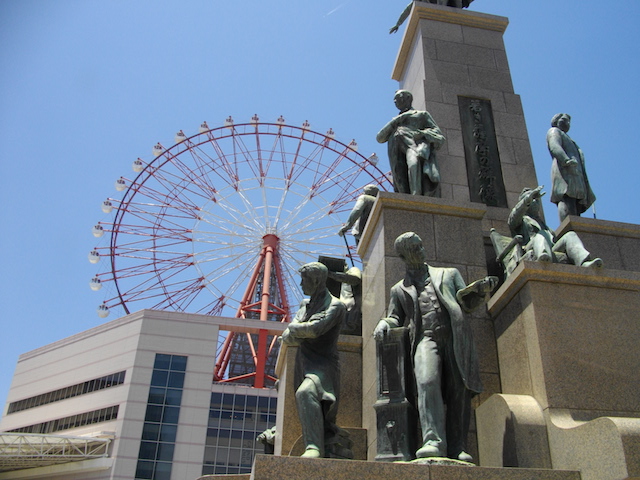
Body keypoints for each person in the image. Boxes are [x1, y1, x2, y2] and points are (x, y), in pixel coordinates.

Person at [374, 232, 497, 461]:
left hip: (455, 336)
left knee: (459, 389)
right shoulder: (398, 289)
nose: (421, 251)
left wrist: (479, 292)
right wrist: (384, 323)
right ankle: (433, 441)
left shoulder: (449, 274)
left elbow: (466, 302)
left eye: (421, 245)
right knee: (427, 381)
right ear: (403, 257)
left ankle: (458, 446)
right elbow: (395, 317)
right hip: (425, 338)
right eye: (415, 249)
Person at [281, 262, 351, 458]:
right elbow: (288, 337)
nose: (300, 284)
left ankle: (313, 447)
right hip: (303, 362)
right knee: (308, 400)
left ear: (316, 281)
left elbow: (314, 330)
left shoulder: (336, 306)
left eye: (304, 280)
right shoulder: (305, 305)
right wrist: (299, 330)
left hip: (324, 365)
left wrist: (296, 328)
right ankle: (322, 441)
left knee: (306, 393)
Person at [508, 186, 602, 268]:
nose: (535, 201)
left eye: (536, 199)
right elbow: (514, 217)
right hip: (531, 247)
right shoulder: (520, 220)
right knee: (541, 235)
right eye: (532, 198)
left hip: (551, 248)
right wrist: (527, 199)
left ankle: (584, 262)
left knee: (570, 235)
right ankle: (543, 258)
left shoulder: (544, 225)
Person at [377, 90, 445, 196]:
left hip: (413, 145)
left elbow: (437, 133)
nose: (395, 101)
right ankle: (404, 200)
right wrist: (396, 121)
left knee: (414, 164)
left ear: (408, 98)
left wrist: (422, 134)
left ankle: (416, 197)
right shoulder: (395, 121)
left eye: (398, 97)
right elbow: (380, 138)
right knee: (399, 176)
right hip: (395, 150)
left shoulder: (421, 115)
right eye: (394, 99)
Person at [546, 113, 596, 223]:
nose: (567, 123)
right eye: (564, 120)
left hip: (576, 173)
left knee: (577, 201)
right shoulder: (554, 131)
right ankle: (568, 226)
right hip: (564, 169)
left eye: (569, 121)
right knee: (566, 196)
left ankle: (577, 225)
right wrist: (565, 160)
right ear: (556, 121)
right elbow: (554, 145)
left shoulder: (571, 140)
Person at [389, 0, 475, 34]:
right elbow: (407, 10)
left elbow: (457, 4)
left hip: (450, 10)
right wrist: (398, 24)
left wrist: (458, 14)